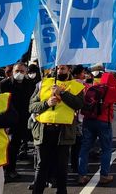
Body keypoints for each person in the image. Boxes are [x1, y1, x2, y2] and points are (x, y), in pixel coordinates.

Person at [29, 64, 84, 194]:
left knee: (62, 166)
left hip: (64, 131)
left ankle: (61, 191)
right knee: (42, 165)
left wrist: (62, 93)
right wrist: (46, 103)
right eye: (58, 68)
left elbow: (79, 104)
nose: (60, 71)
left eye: (63, 68)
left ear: (69, 69)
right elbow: (31, 106)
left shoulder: (76, 86)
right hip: (44, 131)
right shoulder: (42, 84)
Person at [78, 72, 116, 185]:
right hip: (103, 122)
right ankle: (104, 175)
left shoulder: (93, 88)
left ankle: (82, 175)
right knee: (106, 149)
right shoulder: (112, 90)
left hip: (88, 120)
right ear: (113, 80)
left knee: (85, 148)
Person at [0, 62, 34, 180]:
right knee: (6, 146)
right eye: (17, 71)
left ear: (26, 72)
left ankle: (10, 169)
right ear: (12, 71)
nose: (19, 73)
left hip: (23, 119)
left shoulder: (29, 84)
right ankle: (3, 170)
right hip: (7, 120)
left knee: (15, 146)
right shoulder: (3, 84)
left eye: (22, 71)